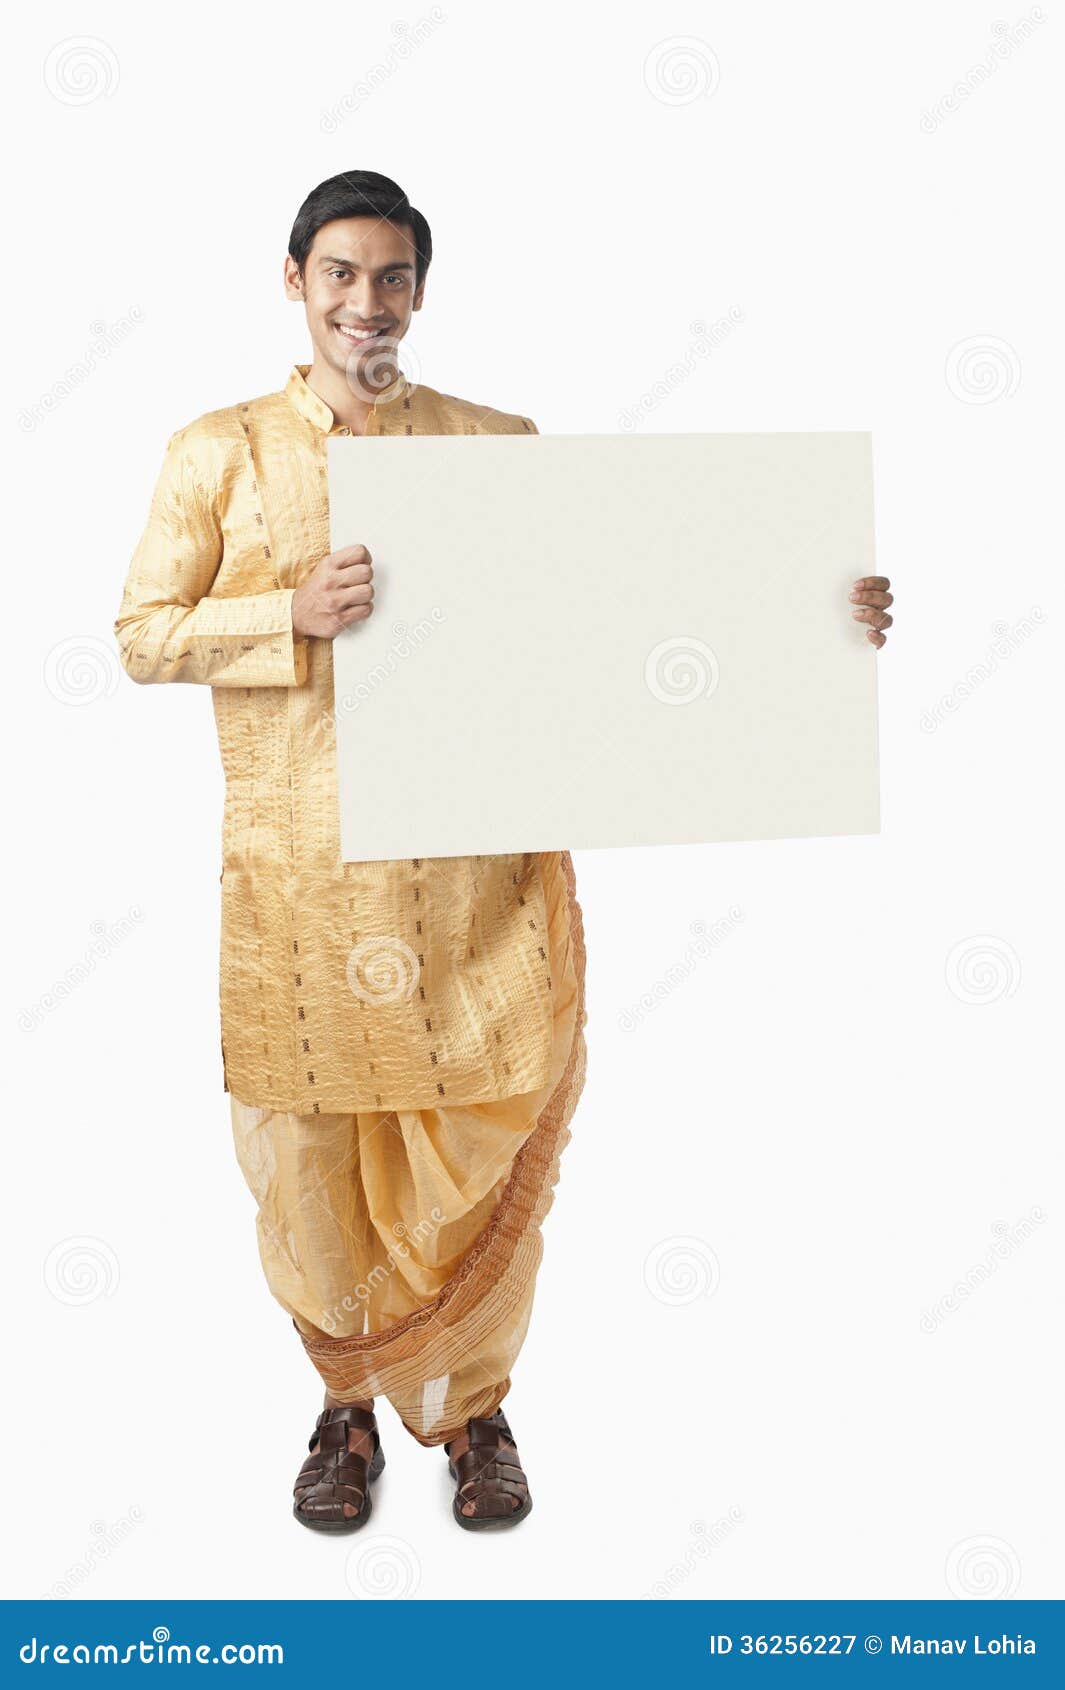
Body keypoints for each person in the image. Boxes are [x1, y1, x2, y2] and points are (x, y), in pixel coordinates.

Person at [114, 169, 893, 1535]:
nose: (369, 300)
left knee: (476, 1137)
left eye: (394, 275)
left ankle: (472, 1411)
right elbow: (138, 635)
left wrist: (810, 615)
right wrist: (283, 610)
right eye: (341, 273)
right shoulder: (215, 451)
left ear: (420, 289)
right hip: (293, 889)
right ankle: (345, 1410)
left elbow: (617, 614)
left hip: (470, 888)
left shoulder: (492, 443)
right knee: (311, 1158)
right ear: (290, 283)